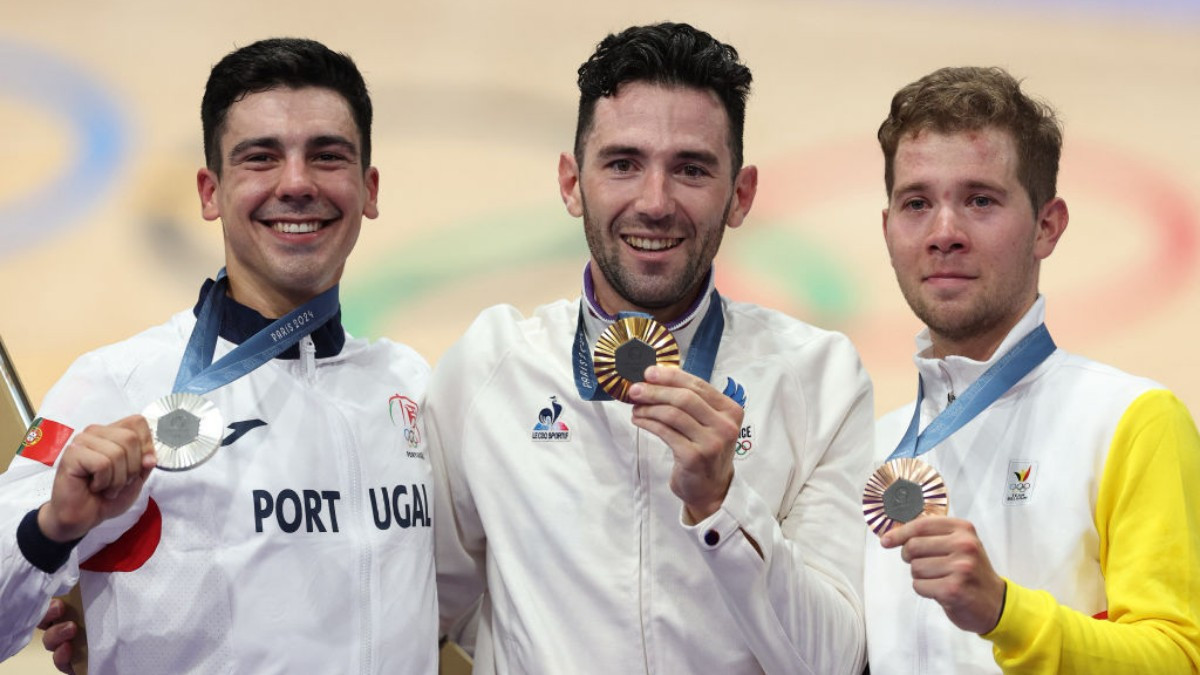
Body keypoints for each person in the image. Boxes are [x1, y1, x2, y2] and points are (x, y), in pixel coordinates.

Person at [429, 22, 873, 674]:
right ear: (572, 182)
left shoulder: (820, 379)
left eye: (691, 169)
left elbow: (832, 659)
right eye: (622, 163)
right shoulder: (492, 368)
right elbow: (423, 607)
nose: (655, 201)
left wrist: (724, 505)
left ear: (740, 194)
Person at [0, 38, 437, 673]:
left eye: (327, 156)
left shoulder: (413, 386)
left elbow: (453, 611)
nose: (296, 184)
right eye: (260, 158)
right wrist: (53, 528)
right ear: (210, 192)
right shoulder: (117, 384)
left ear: (368, 189)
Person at [863, 66, 1200, 673]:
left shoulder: (1133, 420)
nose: (945, 233)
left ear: (1047, 226)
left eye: (980, 200)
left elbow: (1180, 657)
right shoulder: (868, 449)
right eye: (916, 203)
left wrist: (1004, 613)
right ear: (887, 229)